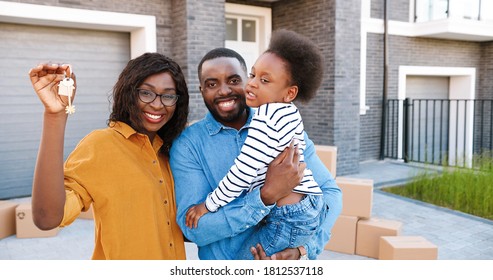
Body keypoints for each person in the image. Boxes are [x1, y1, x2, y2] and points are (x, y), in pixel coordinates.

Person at [170, 36, 342, 260]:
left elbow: (330, 193)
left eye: (233, 80)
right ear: (201, 89)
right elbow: (194, 229)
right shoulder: (188, 145)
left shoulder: (279, 127)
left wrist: (303, 250)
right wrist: (266, 196)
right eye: (212, 84)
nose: (223, 91)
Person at [28, 52, 189, 260]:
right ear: (129, 93)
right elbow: (46, 218)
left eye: (168, 96)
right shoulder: (100, 145)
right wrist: (55, 115)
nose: (158, 105)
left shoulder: (171, 153)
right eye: (146, 93)